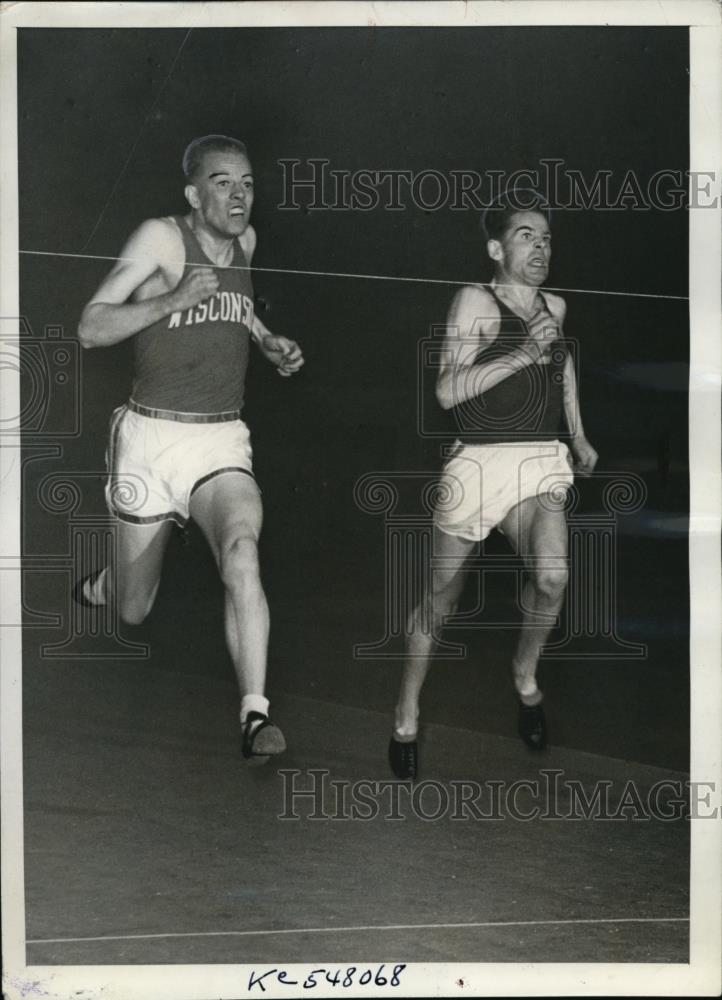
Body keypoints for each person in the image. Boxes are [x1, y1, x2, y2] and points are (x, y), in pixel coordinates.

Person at [75, 134, 304, 760]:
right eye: (223, 182)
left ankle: (255, 715)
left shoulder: (247, 244)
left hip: (219, 441)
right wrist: (174, 297)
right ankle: (107, 582)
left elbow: (237, 308)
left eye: (248, 182)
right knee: (134, 610)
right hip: (150, 440)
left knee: (242, 552)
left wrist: (266, 339)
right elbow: (91, 328)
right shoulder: (161, 238)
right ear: (193, 192)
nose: (238, 195)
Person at [389, 190, 597, 780]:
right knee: (442, 600)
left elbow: (564, 367)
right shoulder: (474, 302)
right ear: (496, 247)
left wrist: (578, 434)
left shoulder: (555, 305)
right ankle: (406, 710)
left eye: (546, 237)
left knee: (553, 575)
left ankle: (525, 675)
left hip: (540, 459)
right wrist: (522, 353)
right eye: (526, 235)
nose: (540, 247)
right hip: (478, 464)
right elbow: (448, 392)